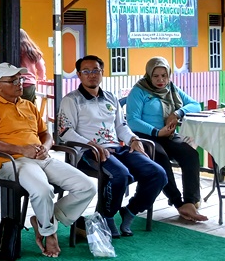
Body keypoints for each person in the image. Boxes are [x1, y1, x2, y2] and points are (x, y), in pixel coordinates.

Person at [0, 62, 95, 258]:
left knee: (87, 187)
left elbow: (45, 134)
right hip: (14, 162)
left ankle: (43, 220)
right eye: (13, 80)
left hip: (42, 158)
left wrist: (45, 148)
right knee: (43, 191)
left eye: (20, 79)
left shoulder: (29, 105)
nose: (19, 83)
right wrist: (20, 150)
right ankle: (49, 233)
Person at [58, 55, 167, 237]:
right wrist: (92, 145)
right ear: (79, 74)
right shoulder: (71, 100)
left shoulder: (110, 97)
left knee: (158, 173)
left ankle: (130, 211)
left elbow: (121, 126)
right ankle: (107, 217)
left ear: (102, 72)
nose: (91, 75)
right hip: (89, 152)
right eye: (86, 71)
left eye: (96, 70)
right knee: (120, 174)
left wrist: (133, 139)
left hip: (116, 148)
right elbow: (65, 131)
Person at [126, 56, 208, 222]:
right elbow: (132, 120)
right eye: (156, 76)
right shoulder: (139, 90)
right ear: (149, 75)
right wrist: (157, 132)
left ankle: (190, 202)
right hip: (145, 137)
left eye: (164, 76)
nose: (161, 80)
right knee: (161, 157)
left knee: (190, 154)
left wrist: (177, 113)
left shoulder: (171, 88)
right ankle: (178, 202)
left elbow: (195, 104)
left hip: (168, 135)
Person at [19, 29, 46, 103]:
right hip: (29, 84)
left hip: (15, 83)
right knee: (29, 107)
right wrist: (41, 78)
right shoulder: (32, 50)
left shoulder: (14, 50)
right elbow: (41, 67)